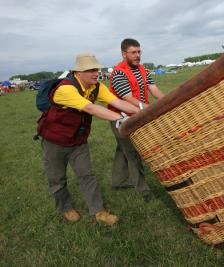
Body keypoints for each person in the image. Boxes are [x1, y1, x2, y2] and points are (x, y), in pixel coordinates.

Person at [37, 53, 139, 225]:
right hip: (54, 141)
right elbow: (91, 108)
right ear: (78, 72)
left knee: (87, 175)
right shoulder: (66, 89)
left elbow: (117, 102)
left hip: (78, 141)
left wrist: (142, 112)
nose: (95, 73)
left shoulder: (96, 87)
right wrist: (121, 119)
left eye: (96, 69)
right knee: (57, 178)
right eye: (90, 70)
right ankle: (66, 208)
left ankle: (99, 212)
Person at [108, 38, 165, 202]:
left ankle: (117, 181)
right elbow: (128, 98)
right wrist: (149, 109)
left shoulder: (143, 69)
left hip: (136, 114)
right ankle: (144, 191)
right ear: (123, 53)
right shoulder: (118, 72)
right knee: (133, 152)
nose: (137, 55)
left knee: (123, 149)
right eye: (133, 52)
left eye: (139, 51)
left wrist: (168, 101)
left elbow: (153, 89)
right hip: (120, 118)